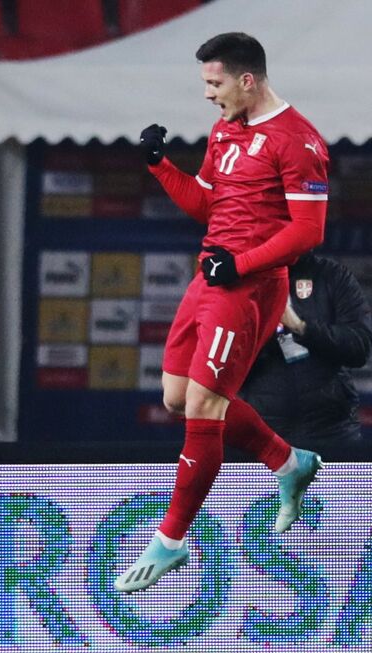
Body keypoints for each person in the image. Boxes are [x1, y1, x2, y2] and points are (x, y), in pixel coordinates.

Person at [115, 32, 329, 593]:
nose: (208, 94)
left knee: (204, 407)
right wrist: (160, 166)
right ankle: (289, 462)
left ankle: (170, 540)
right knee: (176, 396)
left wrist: (241, 265)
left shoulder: (298, 140)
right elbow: (210, 205)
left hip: (249, 287)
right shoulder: (225, 130)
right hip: (211, 277)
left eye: (215, 83)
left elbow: (309, 231)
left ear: (247, 80)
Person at [237, 252, 372, 445]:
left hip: (331, 430)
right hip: (262, 433)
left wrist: (302, 327)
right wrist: (263, 332)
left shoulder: (331, 275)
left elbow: (361, 346)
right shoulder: (241, 281)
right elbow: (221, 365)